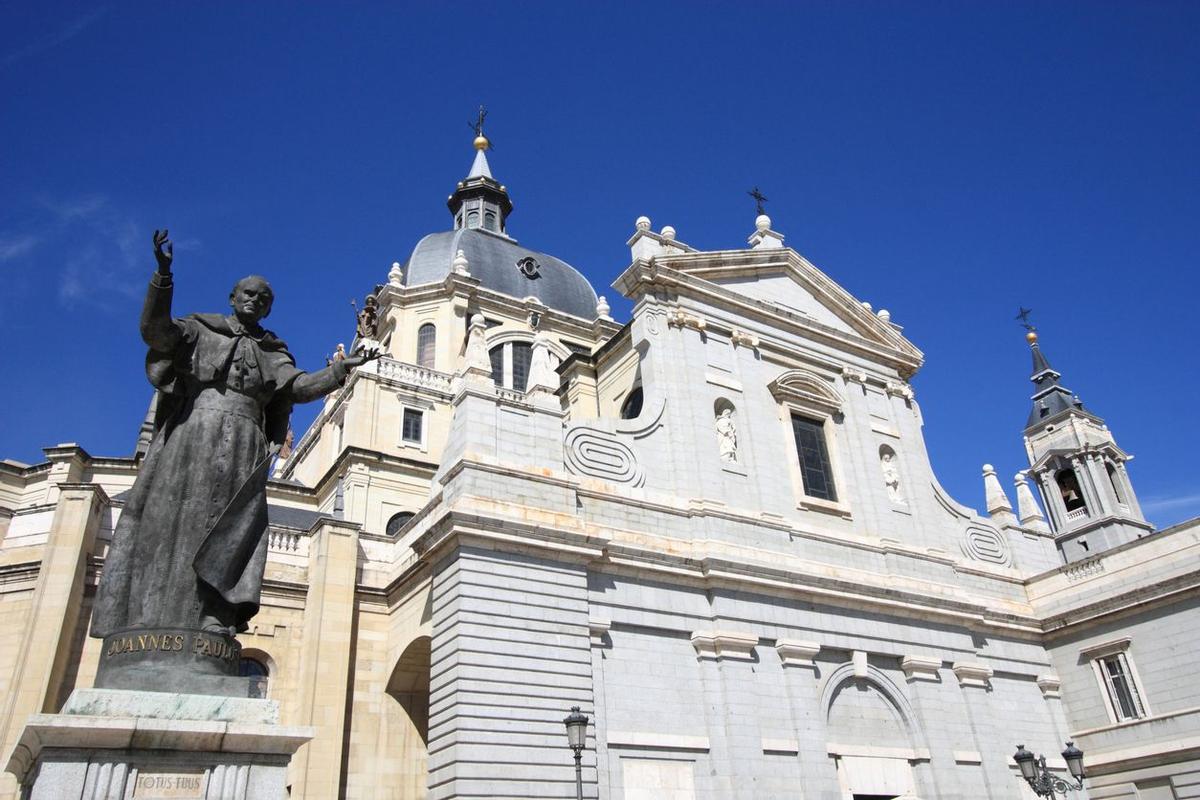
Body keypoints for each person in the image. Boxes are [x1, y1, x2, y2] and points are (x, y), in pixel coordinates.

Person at [92, 230, 378, 639]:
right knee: (172, 518)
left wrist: (338, 372)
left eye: (264, 298)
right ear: (232, 297)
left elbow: (296, 387)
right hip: (195, 432)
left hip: (245, 443)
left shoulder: (273, 352)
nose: (255, 300)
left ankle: (217, 611)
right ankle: (153, 612)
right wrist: (163, 276)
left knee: (235, 525)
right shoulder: (198, 330)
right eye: (249, 293)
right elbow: (156, 333)